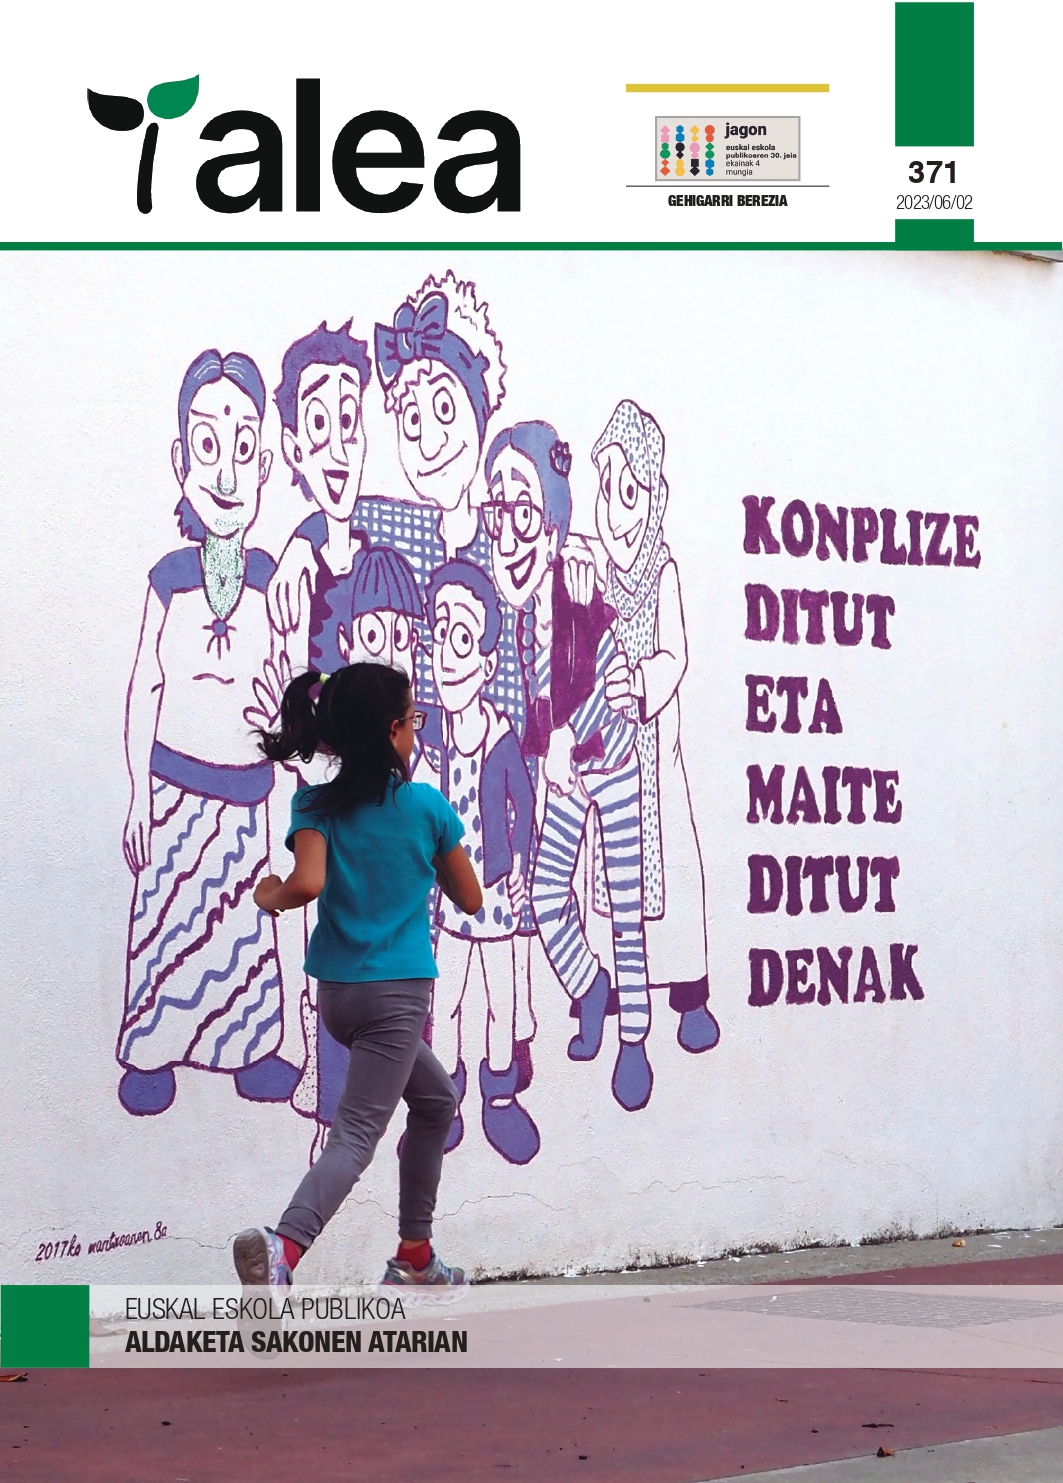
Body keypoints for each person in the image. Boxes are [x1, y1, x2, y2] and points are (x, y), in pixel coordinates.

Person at [233, 663, 482, 1287]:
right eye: (413, 720)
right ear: (394, 730)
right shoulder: (426, 807)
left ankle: (416, 1256)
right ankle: (283, 1248)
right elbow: (471, 898)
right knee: (356, 1136)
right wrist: (423, 855)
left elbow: (307, 883)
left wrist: (269, 895)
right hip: (396, 998)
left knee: (436, 1101)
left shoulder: (314, 803)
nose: (416, 731)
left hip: (340, 998)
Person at [117, 348, 299, 1116]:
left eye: (243, 446)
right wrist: (137, 793)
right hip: (174, 791)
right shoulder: (167, 579)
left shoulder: (270, 579)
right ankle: (151, 1053)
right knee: (167, 925)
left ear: (264, 466)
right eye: (207, 444)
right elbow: (145, 686)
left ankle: (247, 1048)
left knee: (240, 934)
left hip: (245, 798)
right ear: (181, 461)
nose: (225, 469)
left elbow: (292, 681)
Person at [483, 422, 653, 1112]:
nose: (508, 533)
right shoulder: (520, 604)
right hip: (565, 770)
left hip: (608, 760)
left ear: (553, 527)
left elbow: (576, 667)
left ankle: (634, 1038)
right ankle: (590, 986)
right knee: (547, 895)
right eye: (498, 511)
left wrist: (558, 740)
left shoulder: (570, 584)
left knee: (624, 906)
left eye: (525, 512)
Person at [592, 401, 720, 1054]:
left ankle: (688, 990)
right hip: (608, 760)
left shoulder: (661, 573)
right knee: (610, 876)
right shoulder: (595, 576)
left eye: (631, 493)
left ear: (655, 498)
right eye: (606, 490)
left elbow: (677, 654)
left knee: (672, 869)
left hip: (654, 760)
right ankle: (618, 982)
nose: (617, 513)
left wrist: (640, 683)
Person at [421, 560, 538, 1164]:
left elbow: (526, 804)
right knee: (445, 1003)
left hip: (493, 897)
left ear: (488, 664)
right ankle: (444, 1102)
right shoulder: (429, 731)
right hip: (449, 899)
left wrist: (519, 864)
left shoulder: (501, 737)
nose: (446, 653)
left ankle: (500, 1097)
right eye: (440, 634)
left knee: (500, 1003)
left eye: (462, 638)